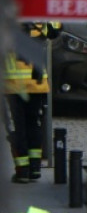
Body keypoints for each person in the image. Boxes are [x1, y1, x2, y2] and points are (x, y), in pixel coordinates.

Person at [4, 22, 58, 183]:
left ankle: (22, 170)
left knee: (16, 128)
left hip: (13, 85)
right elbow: (56, 30)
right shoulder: (40, 18)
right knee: (33, 125)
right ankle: (34, 168)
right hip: (37, 84)